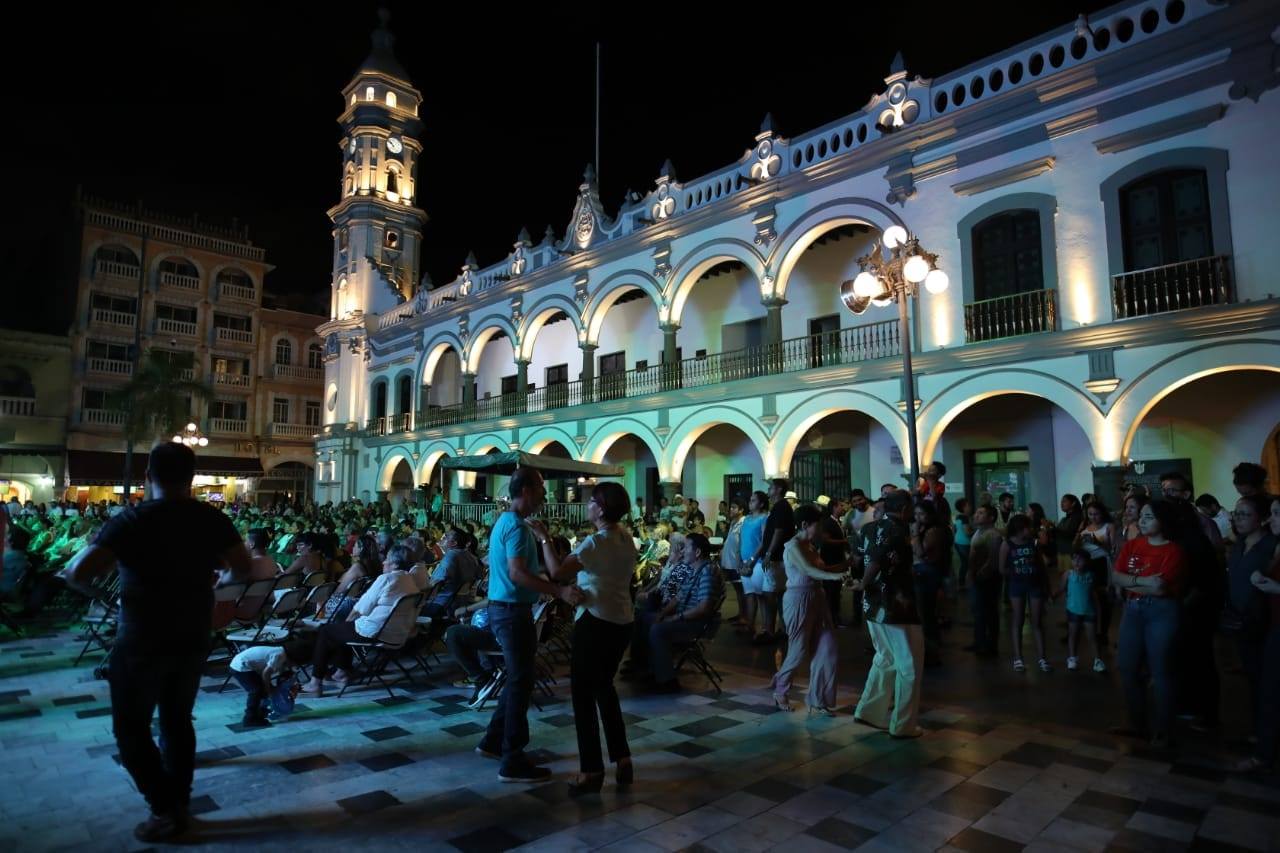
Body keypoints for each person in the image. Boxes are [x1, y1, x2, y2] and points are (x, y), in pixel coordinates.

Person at [61, 443, 251, 843]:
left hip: (142, 637)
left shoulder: (130, 520)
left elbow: (78, 572)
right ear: (192, 476)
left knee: (130, 729)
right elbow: (242, 570)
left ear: (147, 474)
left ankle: (164, 808)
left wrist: (107, 599)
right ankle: (177, 804)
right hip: (193, 634)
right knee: (177, 721)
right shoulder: (211, 519)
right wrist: (218, 583)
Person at [476, 468, 583, 783]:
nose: (545, 494)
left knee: (517, 679)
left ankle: (494, 741)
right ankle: (513, 759)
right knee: (522, 682)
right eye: (540, 488)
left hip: (504, 609)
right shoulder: (517, 529)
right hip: (511, 612)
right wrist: (560, 591)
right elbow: (518, 574)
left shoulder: (506, 523)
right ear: (524, 489)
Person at [535, 481, 636, 796]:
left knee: (582, 694)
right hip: (621, 620)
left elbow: (556, 572)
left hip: (595, 621)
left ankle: (591, 770)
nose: (587, 505)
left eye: (592, 501)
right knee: (605, 688)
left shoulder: (595, 543)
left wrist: (544, 538)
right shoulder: (626, 538)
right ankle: (622, 757)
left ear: (601, 508)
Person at [1111, 499, 1187, 748]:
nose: (1142, 521)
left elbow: (1161, 588)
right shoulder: (1132, 545)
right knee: (1127, 666)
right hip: (1133, 609)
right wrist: (1141, 582)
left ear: (1163, 521)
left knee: (1161, 669)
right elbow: (1116, 576)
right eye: (1141, 516)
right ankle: (1137, 724)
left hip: (1162, 611)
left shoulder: (1173, 550)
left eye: (1149, 516)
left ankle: (1164, 729)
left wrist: (1130, 581)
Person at [302, 543, 419, 695]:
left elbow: (360, 608)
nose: (383, 562)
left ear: (395, 563)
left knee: (327, 631)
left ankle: (315, 683)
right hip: (397, 634)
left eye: (387, 560)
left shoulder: (387, 579)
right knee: (341, 630)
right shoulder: (410, 580)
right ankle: (341, 672)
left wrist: (348, 622)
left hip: (376, 632)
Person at [854, 490, 923, 738]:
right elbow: (877, 559)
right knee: (909, 665)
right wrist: (864, 581)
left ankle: (868, 711)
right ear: (904, 508)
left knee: (885, 657)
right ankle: (903, 725)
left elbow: (859, 556)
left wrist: (862, 584)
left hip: (873, 604)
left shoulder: (869, 528)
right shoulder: (898, 530)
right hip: (897, 606)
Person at [772, 504, 847, 714]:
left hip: (817, 597)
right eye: (819, 526)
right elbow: (808, 570)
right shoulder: (793, 546)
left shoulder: (810, 545)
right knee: (798, 650)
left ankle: (819, 699)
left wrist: (843, 567)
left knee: (828, 647)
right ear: (804, 525)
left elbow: (818, 570)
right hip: (798, 599)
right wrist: (836, 576)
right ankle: (780, 689)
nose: (822, 531)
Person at [1225, 493, 1278, 752]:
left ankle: (1266, 735)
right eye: (1236, 514)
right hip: (1241, 618)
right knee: (1253, 676)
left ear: (1262, 518)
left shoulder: (1271, 545)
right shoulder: (1240, 543)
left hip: (1263, 620)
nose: (1238, 519)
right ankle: (1259, 729)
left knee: (1264, 678)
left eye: (1245, 514)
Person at [1001, 514, 1050, 673]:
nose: (1031, 529)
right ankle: (1018, 658)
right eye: (1028, 527)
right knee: (1018, 620)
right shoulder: (1007, 545)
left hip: (1034, 585)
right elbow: (1001, 568)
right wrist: (1017, 573)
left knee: (1036, 621)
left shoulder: (1033, 543)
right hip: (1017, 586)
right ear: (1020, 529)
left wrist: (1046, 587)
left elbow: (1041, 566)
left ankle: (1042, 658)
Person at [748, 479, 795, 644]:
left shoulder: (781, 506)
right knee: (778, 593)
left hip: (776, 558)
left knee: (770, 594)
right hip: (776, 557)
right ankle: (782, 628)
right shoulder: (778, 507)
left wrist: (769, 552)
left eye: (771, 487)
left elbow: (779, 531)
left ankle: (770, 630)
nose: (768, 490)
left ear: (779, 489)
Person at [910, 499, 950, 666]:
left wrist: (915, 534)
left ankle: (931, 652)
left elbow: (920, 552)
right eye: (916, 514)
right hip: (924, 571)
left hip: (927, 572)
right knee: (925, 613)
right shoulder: (926, 528)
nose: (918, 517)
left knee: (926, 614)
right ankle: (930, 650)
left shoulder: (934, 531)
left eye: (922, 514)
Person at [228, 645, 300, 727]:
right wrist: (269, 690)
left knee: (262, 690)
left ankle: (260, 715)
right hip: (241, 667)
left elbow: (280, 674)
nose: (291, 666)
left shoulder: (281, 653)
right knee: (256, 691)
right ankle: (249, 719)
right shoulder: (279, 655)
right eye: (293, 663)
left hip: (244, 665)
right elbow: (266, 673)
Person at [1058, 548, 1105, 672]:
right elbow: (1061, 588)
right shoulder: (1068, 574)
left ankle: (1098, 660)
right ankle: (1072, 657)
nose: (1077, 562)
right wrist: (1053, 596)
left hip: (1089, 611)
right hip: (1073, 610)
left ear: (1087, 561)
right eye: (1074, 559)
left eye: (1080, 559)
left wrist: (1098, 612)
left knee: (1092, 637)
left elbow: (1094, 594)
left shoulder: (1091, 576)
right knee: (1073, 635)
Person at [965, 504, 1002, 658]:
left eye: (981, 512)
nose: (976, 515)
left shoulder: (993, 535)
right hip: (978, 576)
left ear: (991, 517)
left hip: (987, 578)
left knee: (988, 611)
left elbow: (992, 560)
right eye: (977, 512)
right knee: (979, 611)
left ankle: (989, 644)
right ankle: (980, 641)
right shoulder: (979, 532)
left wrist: (978, 574)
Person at [737, 491, 769, 637]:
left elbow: (763, 541)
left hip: (756, 562)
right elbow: (742, 540)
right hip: (744, 561)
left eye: (754, 500)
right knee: (749, 594)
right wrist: (739, 558)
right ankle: (750, 625)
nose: (750, 503)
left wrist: (752, 560)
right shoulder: (746, 519)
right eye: (750, 500)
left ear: (761, 503)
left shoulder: (764, 518)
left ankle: (765, 628)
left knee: (761, 595)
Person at [817, 496, 849, 627]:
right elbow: (826, 540)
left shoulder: (836, 522)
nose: (844, 508)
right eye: (841, 505)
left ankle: (834, 617)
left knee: (835, 591)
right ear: (834, 507)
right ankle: (832, 618)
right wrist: (845, 541)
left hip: (836, 559)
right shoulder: (828, 523)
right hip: (831, 560)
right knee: (831, 591)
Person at [720, 500, 748, 628]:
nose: (731, 509)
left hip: (737, 562)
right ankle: (740, 614)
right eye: (731, 507)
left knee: (742, 590)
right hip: (729, 561)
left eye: (734, 507)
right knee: (737, 590)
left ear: (741, 510)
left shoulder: (744, 522)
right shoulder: (732, 522)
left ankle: (744, 617)